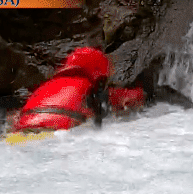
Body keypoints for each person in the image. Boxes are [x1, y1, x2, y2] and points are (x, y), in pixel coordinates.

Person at [11, 47, 146, 132]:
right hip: (57, 132)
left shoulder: (45, 86)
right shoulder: (88, 85)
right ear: (98, 72)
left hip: (22, 131)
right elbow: (115, 101)